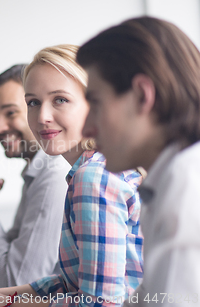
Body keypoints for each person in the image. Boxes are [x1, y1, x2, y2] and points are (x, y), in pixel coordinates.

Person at [0, 44, 144, 306]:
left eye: (60, 99)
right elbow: (66, 282)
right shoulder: (85, 172)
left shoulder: (92, 179)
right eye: (33, 103)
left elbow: (98, 302)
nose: (42, 116)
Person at [77, 16, 200, 306]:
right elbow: (150, 296)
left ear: (143, 96)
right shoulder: (168, 178)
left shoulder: (186, 185)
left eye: (95, 103)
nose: (86, 129)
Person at [0, 65, 71, 287]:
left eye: (11, 112)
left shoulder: (54, 176)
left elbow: (17, 284)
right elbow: (12, 258)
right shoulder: (35, 175)